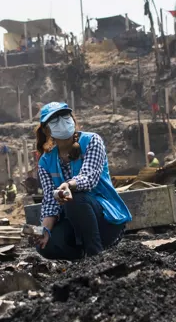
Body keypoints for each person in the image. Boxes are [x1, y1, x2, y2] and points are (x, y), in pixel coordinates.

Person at [31, 102, 131, 260]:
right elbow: (50, 202)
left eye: (65, 116)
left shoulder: (91, 141)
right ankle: (80, 260)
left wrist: (69, 185)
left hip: (105, 221)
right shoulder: (45, 161)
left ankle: (96, 258)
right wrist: (43, 231)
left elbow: (89, 177)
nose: (62, 121)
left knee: (75, 199)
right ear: (46, 130)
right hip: (75, 223)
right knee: (45, 245)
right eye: (55, 119)